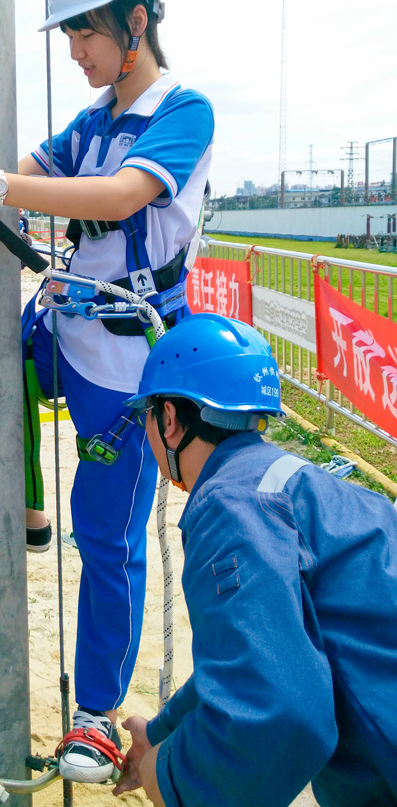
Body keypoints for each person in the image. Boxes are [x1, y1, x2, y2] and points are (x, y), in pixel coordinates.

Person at [0, 0, 214, 781]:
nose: (75, 49)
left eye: (86, 30)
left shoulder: (181, 111)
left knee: (109, 536)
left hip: (128, 363)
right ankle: (28, 507)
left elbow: (120, 198)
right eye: (70, 32)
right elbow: (30, 166)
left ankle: (96, 713)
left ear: (138, 20)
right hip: (66, 330)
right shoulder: (95, 119)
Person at [116, 313, 397, 807]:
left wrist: (173, 779)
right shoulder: (305, 486)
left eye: (147, 418)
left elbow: (279, 712)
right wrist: (161, 732)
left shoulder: (229, 507)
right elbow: (257, 650)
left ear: (169, 419)